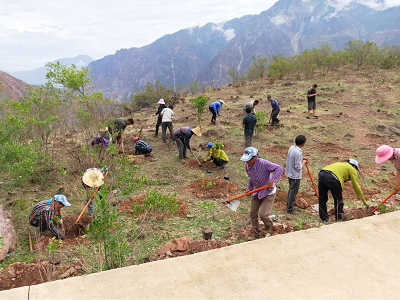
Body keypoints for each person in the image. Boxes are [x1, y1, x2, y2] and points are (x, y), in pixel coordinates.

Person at [241, 147, 283, 238]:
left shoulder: (263, 163)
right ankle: (255, 233)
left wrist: (272, 180)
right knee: (253, 213)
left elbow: (279, 168)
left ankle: (270, 227)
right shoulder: (247, 165)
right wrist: (249, 188)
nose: (247, 162)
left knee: (263, 214)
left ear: (254, 157)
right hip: (257, 191)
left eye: (248, 160)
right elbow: (251, 177)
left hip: (268, 192)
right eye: (245, 160)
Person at [285, 135, 310, 213]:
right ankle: (290, 208)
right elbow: (298, 166)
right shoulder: (298, 152)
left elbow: (293, 158)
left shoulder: (292, 148)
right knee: (293, 191)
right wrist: (304, 162)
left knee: (291, 189)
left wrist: (302, 158)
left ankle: (288, 204)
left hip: (289, 172)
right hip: (295, 175)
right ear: (303, 143)